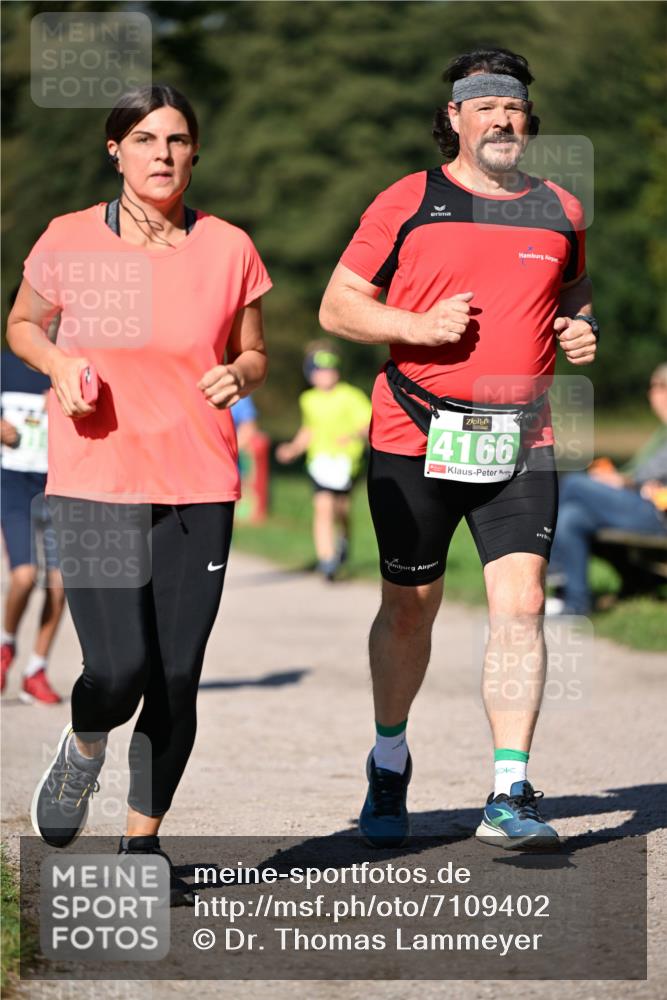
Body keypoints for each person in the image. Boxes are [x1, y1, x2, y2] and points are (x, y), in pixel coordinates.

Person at [319, 47, 598, 849]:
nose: (501, 120)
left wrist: (583, 329)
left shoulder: (561, 209)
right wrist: (414, 327)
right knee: (410, 611)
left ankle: (509, 789)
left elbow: (573, 290)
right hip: (414, 431)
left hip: (523, 437)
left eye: (511, 109)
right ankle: (388, 756)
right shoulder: (409, 200)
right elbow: (340, 307)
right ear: (454, 119)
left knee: (518, 607)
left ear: (527, 119)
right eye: (483, 108)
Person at [7, 84, 271, 903]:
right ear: (113, 150)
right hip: (94, 478)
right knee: (117, 670)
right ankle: (84, 746)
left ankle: (141, 846)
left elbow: (254, 350)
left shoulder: (228, 247)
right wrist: (57, 366)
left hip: (199, 483)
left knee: (178, 675)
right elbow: (22, 324)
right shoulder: (70, 238)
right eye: (145, 138)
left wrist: (240, 372)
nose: (162, 153)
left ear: (195, 153)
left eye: (178, 139)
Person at [547, 364, 667, 615]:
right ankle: (574, 603)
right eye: (655, 388)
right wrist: (621, 479)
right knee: (573, 517)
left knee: (574, 484)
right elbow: (643, 475)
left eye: (662, 387)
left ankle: (554, 572)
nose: (655, 395)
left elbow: (645, 480)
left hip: (658, 513)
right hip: (643, 503)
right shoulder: (662, 433)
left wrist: (626, 482)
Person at [1, 340, 65, 704]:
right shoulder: (5, 366)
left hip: (59, 486)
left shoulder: (67, 366)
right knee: (24, 577)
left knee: (61, 584)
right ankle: (6, 645)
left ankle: (36, 670)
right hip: (13, 485)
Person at [275, 342, 371, 579]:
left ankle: (343, 541)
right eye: (320, 370)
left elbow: (367, 424)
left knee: (341, 509)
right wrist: (293, 448)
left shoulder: (351, 396)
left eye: (330, 369)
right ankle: (327, 559)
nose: (326, 375)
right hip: (319, 461)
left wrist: (350, 436)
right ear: (311, 375)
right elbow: (309, 429)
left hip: (348, 462)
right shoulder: (308, 399)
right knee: (323, 506)